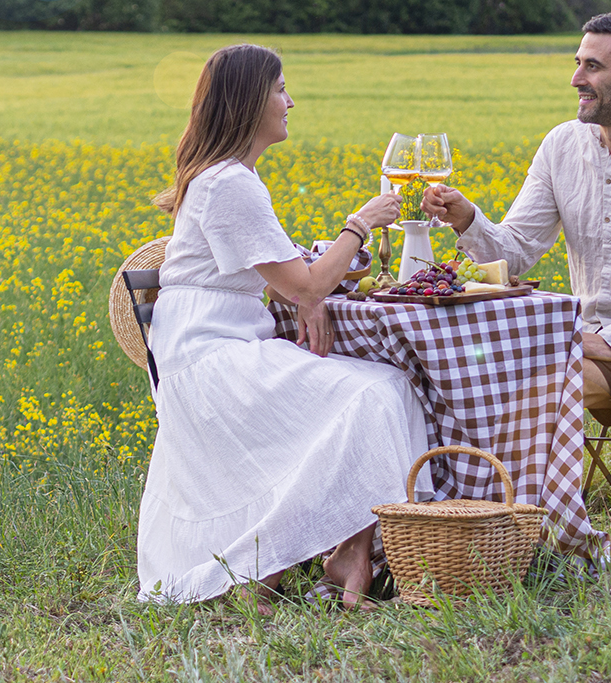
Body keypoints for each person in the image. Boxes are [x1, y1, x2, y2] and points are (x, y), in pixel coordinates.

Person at [138, 43, 431, 612]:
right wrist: (361, 223)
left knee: (379, 391)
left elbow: (283, 278)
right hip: (211, 361)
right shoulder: (230, 184)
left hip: (215, 349)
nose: (289, 101)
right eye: (279, 90)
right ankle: (331, 559)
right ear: (249, 102)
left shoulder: (227, 178)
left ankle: (345, 554)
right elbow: (303, 287)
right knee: (377, 390)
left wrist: (312, 286)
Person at [422, 12, 611, 427]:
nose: (576, 79)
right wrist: (468, 219)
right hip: (582, 340)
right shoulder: (561, 143)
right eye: (577, 63)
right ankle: (462, 492)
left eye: (593, 67)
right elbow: (514, 253)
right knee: (459, 373)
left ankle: (526, 494)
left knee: (530, 391)